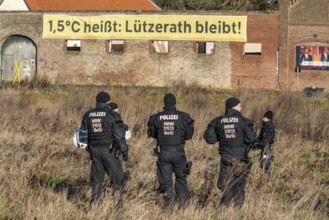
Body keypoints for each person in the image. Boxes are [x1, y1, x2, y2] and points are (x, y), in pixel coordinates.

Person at [203, 97, 256, 207]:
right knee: (239, 185)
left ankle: (225, 209)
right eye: (239, 106)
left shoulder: (217, 121)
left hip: (226, 158)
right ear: (234, 106)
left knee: (226, 184)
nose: (241, 108)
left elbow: (210, 139)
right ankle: (238, 210)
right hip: (241, 158)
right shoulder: (244, 121)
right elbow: (251, 139)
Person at [80, 91, 129, 209]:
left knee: (97, 181)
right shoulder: (112, 115)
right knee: (117, 181)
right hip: (110, 151)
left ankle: (94, 207)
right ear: (108, 102)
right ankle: (118, 208)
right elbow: (118, 136)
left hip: (95, 151)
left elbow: (83, 135)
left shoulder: (88, 115)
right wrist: (124, 151)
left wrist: (90, 151)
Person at [147, 93, 194, 209]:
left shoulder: (156, 117)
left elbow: (153, 134)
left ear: (164, 103)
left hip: (163, 153)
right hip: (178, 153)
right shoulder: (183, 117)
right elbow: (189, 135)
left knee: (166, 181)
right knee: (181, 180)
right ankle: (184, 207)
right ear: (174, 103)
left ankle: (169, 208)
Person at [254, 111, 276, 176]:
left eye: (265, 117)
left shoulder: (269, 126)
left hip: (267, 147)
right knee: (262, 161)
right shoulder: (266, 125)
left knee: (265, 162)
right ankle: (265, 175)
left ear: (269, 118)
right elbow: (261, 137)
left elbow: (266, 138)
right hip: (265, 147)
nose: (263, 118)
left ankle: (266, 177)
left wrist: (259, 145)